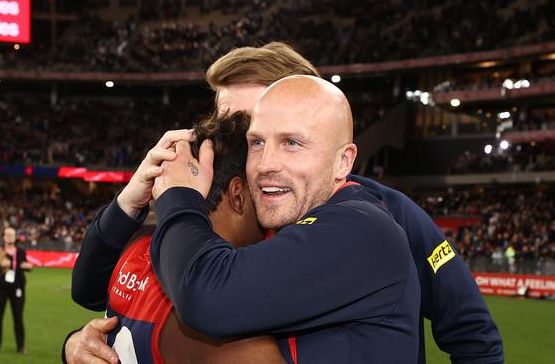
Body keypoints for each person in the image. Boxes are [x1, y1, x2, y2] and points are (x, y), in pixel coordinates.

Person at [68, 42, 503, 363]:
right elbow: (96, 291)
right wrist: (129, 200)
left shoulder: (384, 215)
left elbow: (472, 335)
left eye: (254, 126)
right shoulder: (217, 208)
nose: (235, 144)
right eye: (239, 130)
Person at [149, 75, 420, 363]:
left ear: (343, 161)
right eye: (256, 143)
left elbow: (204, 296)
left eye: (291, 143)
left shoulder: (361, 229)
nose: (265, 164)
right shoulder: (288, 227)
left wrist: (177, 196)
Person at [65, 111, 286, 364]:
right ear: (238, 195)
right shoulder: (229, 327)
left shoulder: (138, 242)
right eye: (266, 186)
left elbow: (86, 290)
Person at [0, 227, 33, 354]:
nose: (9, 237)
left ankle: (21, 347)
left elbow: (23, 264)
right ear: (3, 237)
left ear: (15, 237)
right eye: (7, 234)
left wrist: (27, 267)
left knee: (18, 317)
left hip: (17, 287)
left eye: (12, 235)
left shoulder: (21, 252)